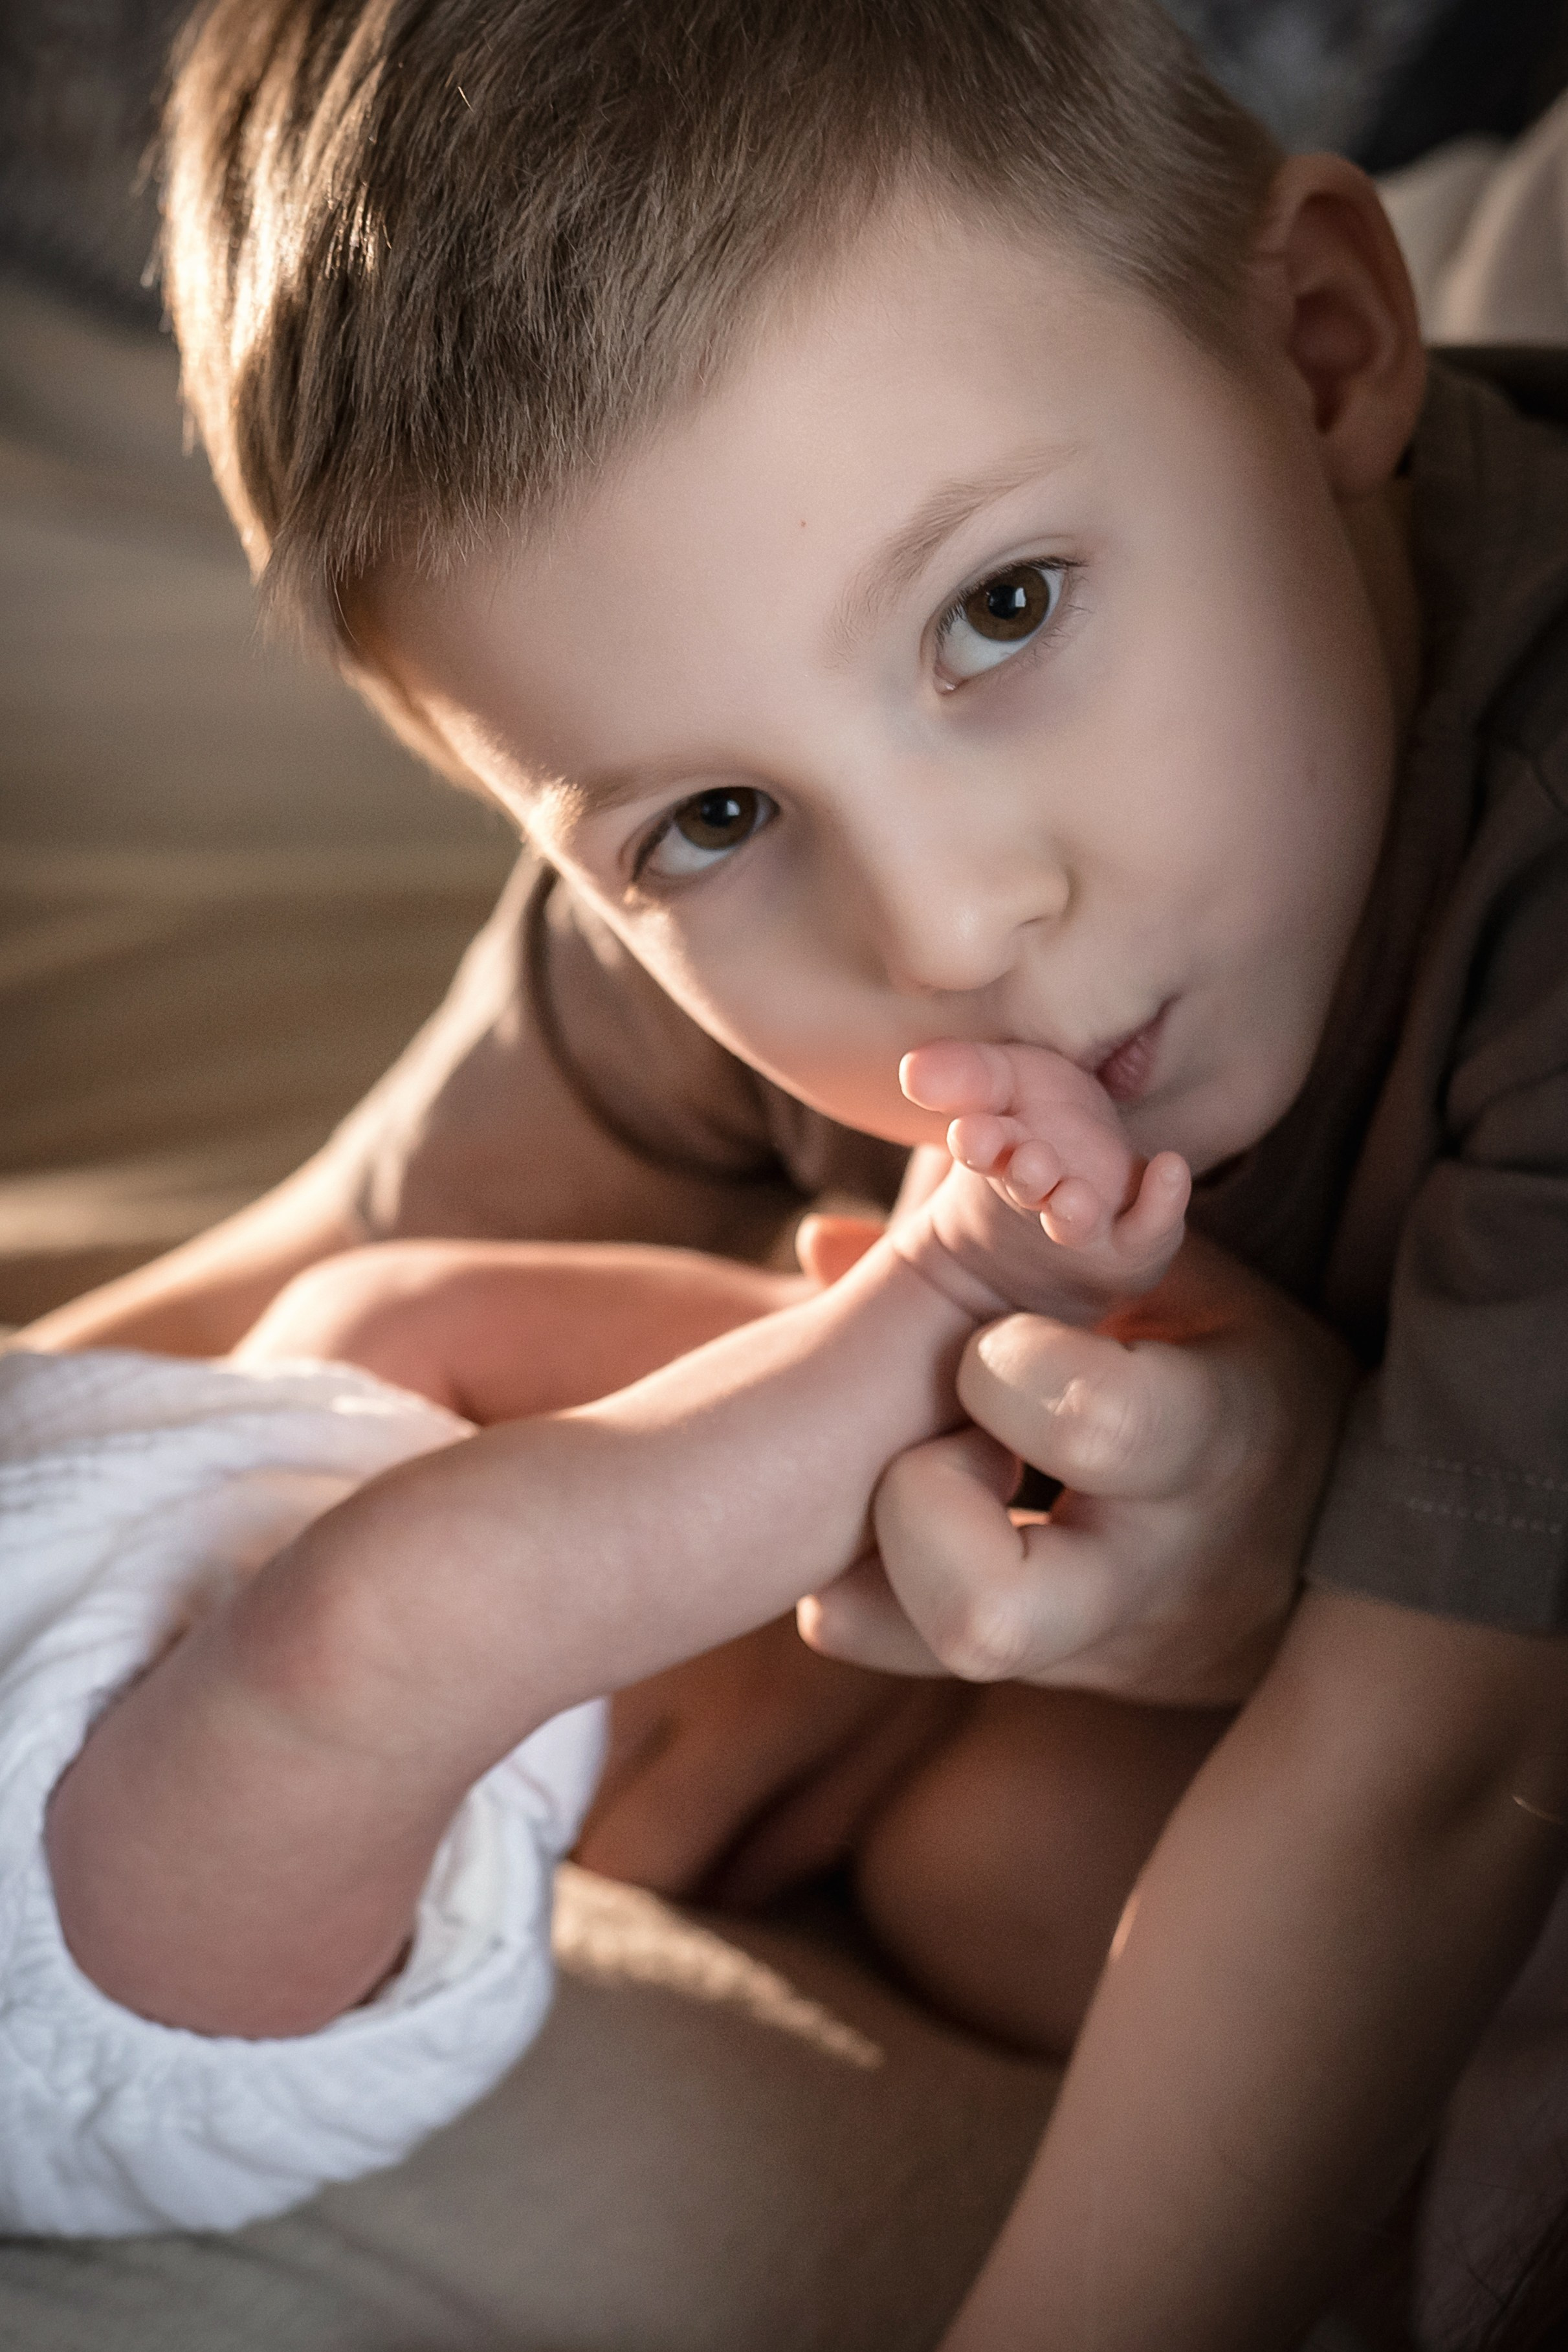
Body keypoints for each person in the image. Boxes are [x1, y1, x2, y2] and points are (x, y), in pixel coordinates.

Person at [16, 6, 1568, 2350]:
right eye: (709, 825)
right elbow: (311, 1258)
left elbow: (1427, 1787)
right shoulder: (706, 827)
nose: (942, 925)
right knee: (983, 1850)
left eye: (1003, 609)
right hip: (1205, 1652)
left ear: (1319, 343)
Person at [12, 1034, 1184, 2224]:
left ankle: (895, 1344)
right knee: (365, 1623)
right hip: (81, 1943)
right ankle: (938, 1311)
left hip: (127, 1549)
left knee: (373, 1335)